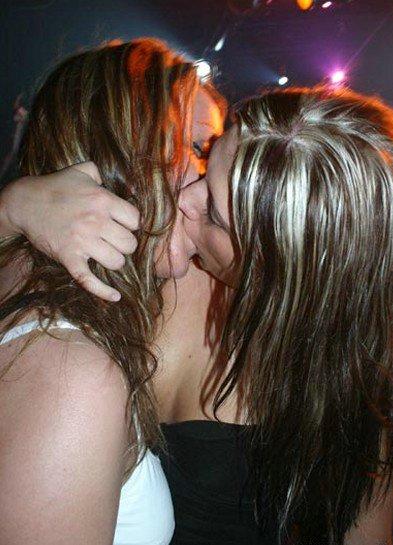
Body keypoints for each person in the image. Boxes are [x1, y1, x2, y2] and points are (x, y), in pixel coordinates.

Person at [1, 83, 393, 544]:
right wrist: (12, 210)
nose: (185, 197)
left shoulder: (363, 384)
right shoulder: (161, 262)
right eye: (208, 160)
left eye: (215, 215)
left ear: (282, 270)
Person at [0, 37, 225, 545]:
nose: (207, 185)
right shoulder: (72, 371)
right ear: (116, 146)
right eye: (193, 148)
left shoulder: (25, 268)